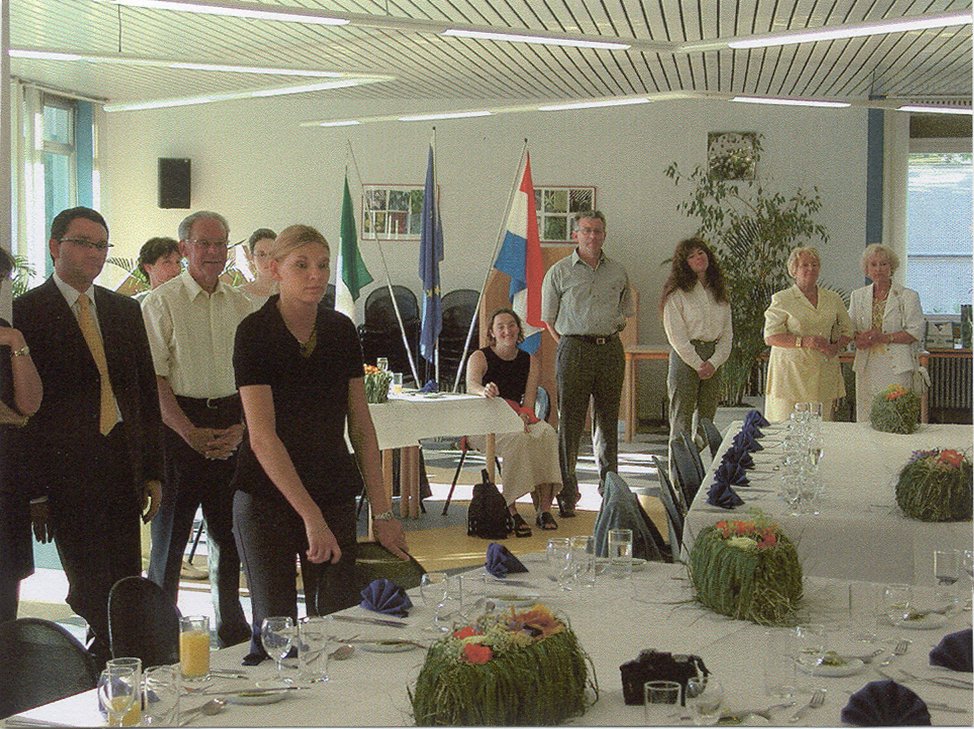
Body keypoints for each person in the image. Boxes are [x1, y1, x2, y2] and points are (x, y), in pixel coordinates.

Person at [231, 224, 408, 658]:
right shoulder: (254, 332)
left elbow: (361, 426)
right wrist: (310, 516)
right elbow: (263, 438)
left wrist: (383, 511)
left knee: (338, 626)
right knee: (276, 633)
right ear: (275, 269)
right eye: (302, 265)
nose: (315, 275)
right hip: (267, 495)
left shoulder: (340, 330)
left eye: (323, 265)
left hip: (331, 487)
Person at [12, 207, 162, 666]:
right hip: (65, 475)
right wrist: (35, 492)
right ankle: (107, 661)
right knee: (87, 585)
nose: (95, 254)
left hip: (121, 466)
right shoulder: (25, 313)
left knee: (125, 579)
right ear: (55, 247)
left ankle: (117, 664)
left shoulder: (124, 310)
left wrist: (153, 472)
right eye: (83, 243)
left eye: (101, 246)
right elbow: (24, 415)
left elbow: (144, 396)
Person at [142, 210, 252, 648]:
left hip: (231, 423)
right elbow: (154, 379)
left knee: (229, 536)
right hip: (176, 427)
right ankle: (159, 636)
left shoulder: (242, 304)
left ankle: (232, 629)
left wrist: (241, 427)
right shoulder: (160, 303)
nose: (212, 252)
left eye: (220, 243)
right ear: (184, 248)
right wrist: (188, 431)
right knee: (170, 540)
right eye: (203, 243)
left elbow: (253, 376)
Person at [541, 210, 633, 518]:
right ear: (575, 235)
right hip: (574, 349)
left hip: (609, 350)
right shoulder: (559, 272)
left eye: (598, 230)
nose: (592, 236)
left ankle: (610, 490)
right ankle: (567, 493)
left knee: (607, 423)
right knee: (570, 423)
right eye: (586, 230)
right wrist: (570, 344)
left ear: (604, 235)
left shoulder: (618, 271)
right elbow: (549, 319)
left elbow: (624, 312)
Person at [466, 308, 562, 533]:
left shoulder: (530, 361)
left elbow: (529, 401)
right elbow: (471, 385)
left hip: (516, 418)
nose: (507, 331)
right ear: (492, 332)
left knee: (548, 434)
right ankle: (510, 508)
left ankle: (544, 508)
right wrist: (484, 390)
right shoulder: (479, 357)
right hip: (484, 424)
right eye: (500, 327)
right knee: (517, 440)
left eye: (511, 325)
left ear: (518, 329)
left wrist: (525, 416)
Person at [660, 238, 732, 480]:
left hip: (714, 358)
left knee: (706, 423)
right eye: (691, 256)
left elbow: (727, 334)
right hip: (686, 357)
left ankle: (698, 476)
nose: (698, 258)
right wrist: (698, 363)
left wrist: (714, 362)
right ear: (684, 263)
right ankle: (678, 481)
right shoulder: (677, 293)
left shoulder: (719, 291)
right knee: (681, 421)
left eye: (701, 253)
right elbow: (676, 336)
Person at [0, 248, 43, 623]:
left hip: (5, 480)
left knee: (5, 603)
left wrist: (16, 341)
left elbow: (29, 404)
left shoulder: (5, 330)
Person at [763, 246, 853, 422]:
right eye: (804, 265)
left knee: (821, 426)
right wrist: (804, 341)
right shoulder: (782, 298)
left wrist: (835, 347)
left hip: (823, 373)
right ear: (794, 270)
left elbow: (848, 330)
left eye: (815, 264)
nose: (811, 268)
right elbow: (771, 336)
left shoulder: (833, 298)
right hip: (790, 377)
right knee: (786, 427)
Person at [848, 244, 925, 423]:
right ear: (867, 269)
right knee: (867, 418)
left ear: (892, 267)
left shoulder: (907, 296)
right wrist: (856, 338)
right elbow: (849, 328)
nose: (878, 269)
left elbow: (915, 332)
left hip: (896, 367)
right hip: (867, 366)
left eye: (883, 264)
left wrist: (883, 338)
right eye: (873, 264)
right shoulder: (857, 296)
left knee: (895, 416)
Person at [238, 228, 277, 305]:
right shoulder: (239, 295)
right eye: (261, 255)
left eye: (272, 253)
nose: (269, 260)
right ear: (251, 258)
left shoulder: (292, 292)